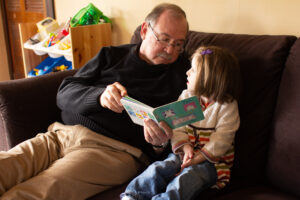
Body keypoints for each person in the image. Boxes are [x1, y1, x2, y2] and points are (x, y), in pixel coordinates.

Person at [0, 3, 190, 200]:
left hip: (112, 152)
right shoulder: (111, 55)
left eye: (178, 44)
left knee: (31, 193)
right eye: (164, 39)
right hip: (61, 135)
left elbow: (183, 135)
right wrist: (99, 97)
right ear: (144, 30)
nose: (170, 50)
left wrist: (158, 145)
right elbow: (64, 93)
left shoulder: (184, 75)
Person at [121, 46, 242, 200]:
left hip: (212, 163)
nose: (187, 72)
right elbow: (178, 127)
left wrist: (198, 158)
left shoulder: (226, 106)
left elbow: (222, 140)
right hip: (184, 154)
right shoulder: (186, 97)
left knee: (188, 178)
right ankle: (133, 195)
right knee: (160, 167)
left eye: (193, 70)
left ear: (209, 77)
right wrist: (185, 147)